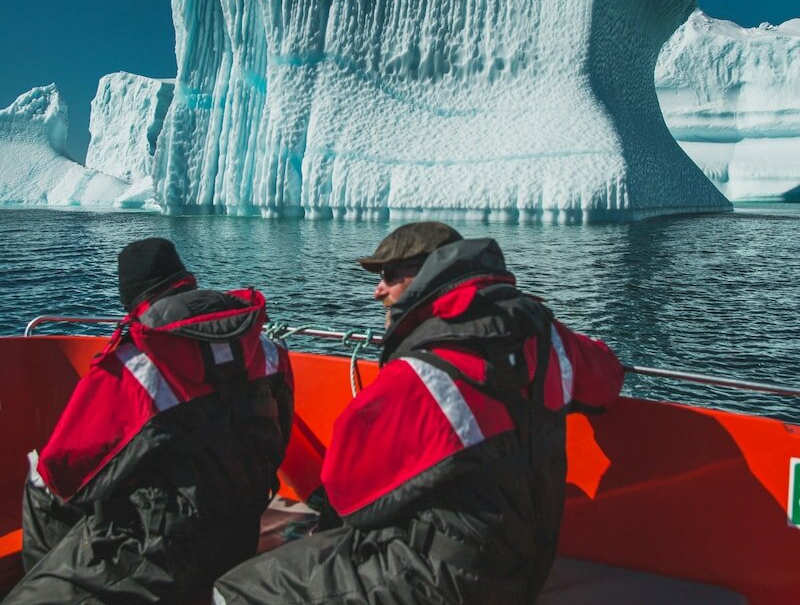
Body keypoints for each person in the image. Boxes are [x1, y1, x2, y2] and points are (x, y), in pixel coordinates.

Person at [213, 221, 624, 605]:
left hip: (446, 580)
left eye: (390, 276)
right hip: (528, 567)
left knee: (236, 589)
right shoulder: (549, 338)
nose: (378, 291)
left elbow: (345, 492)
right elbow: (606, 380)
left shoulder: (423, 373)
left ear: (428, 275)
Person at [8, 237, 294, 605]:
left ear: (134, 302)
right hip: (238, 535)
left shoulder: (136, 368)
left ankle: (58, 577)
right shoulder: (267, 350)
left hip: (158, 560)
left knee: (39, 483)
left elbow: (60, 474)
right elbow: (279, 438)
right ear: (186, 281)